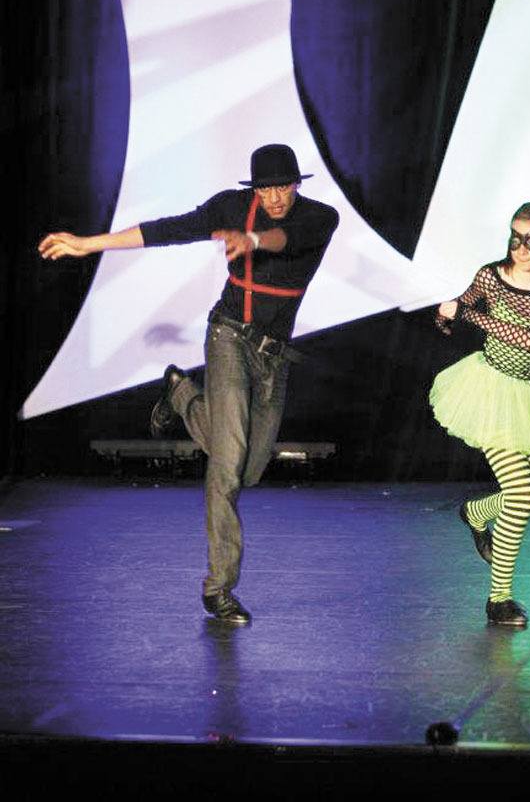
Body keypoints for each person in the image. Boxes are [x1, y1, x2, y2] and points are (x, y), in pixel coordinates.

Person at [39, 143, 339, 625]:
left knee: (250, 469)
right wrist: (88, 243)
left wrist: (254, 241)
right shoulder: (229, 206)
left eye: (284, 186)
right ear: (254, 188)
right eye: (267, 188)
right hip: (228, 339)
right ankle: (218, 588)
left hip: (274, 357)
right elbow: (167, 230)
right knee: (225, 467)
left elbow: (288, 239)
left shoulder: (321, 217)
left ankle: (180, 392)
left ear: (297, 185)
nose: (276, 196)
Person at [429, 201, 530, 629]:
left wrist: (468, 314)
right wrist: (445, 314)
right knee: (520, 496)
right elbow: (450, 318)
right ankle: (499, 599)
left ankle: (475, 513)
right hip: (490, 392)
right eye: (515, 237)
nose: (520, 247)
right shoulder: (490, 276)